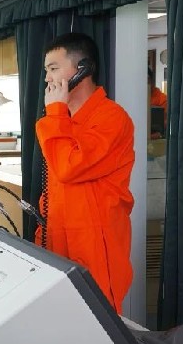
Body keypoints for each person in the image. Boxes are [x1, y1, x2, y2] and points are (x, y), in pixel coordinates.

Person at [36, 33, 135, 313]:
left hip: (94, 242)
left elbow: (69, 168)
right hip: (58, 236)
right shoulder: (64, 120)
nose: (47, 78)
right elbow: (54, 186)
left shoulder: (111, 118)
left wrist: (55, 114)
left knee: (97, 319)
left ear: (83, 69)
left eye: (54, 68)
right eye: (46, 71)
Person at [149, 69, 168, 138]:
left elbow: (166, 123)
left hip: (157, 136)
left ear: (152, 81)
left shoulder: (163, 99)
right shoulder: (135, 98)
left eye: (148, 80)